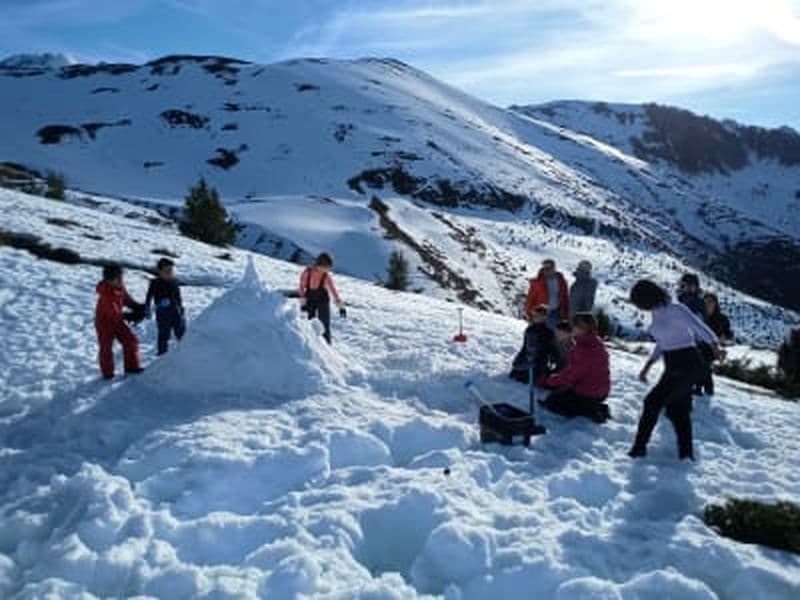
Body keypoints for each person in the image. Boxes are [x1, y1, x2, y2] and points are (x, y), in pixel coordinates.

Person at [628, 280, 724, 461]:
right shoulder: (656, 315)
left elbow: (699, 326)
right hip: (672, 364)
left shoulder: (676, 310)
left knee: (652, 402)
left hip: (688, 361)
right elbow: (662, 344)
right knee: (677, 410)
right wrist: (648, 365)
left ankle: (638, 449)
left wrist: (714, 344)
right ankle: (686, 455)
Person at [540, 313, 611, 423]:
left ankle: (594, 411)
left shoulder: (583, 349)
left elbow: (571, 375)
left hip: (590, 392)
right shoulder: (594, 341)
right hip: (600, 389)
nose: (572, 327)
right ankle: (593, 406)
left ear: (583, 328)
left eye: (574, 325)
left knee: (553, 403)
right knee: (557, 396)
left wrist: (549, 381)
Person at [95, 264, 145, 379]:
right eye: (119, 278)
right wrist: (130, 316)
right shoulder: (105, 294)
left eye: (121, 277)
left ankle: (132, 367)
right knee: (106, 347)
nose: (122, 280)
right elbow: (114, 312)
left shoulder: (119, 288)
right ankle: (108, 373)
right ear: (109, 280)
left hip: (117, 321)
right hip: (104, 324)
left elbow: (126, 300)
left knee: (131, 341)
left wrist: (138, 307)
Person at [299, 253, 346, 344]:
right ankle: (312, 344)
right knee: (310, 322)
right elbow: (301, 287)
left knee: (325, 323)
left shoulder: (326, 276)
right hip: (310, 299)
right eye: (327, 267)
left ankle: (327, 346)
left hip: (323, 300)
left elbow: (333, 291)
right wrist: (303, 303)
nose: (328, 269)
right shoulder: (307, 272)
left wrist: (341, 307)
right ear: (320, 265)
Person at [678, 273, 713, 396]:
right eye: (683, 285)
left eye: (689, 285)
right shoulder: (685, 299)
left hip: (694, 339)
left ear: (695, 287)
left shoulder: (696, 302)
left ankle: (696, 387)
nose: (685, 287)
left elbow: (699, 321)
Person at [510, 304, 561, 384]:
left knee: (534, 377)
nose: (536, 318)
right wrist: (520, 358)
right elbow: (525, 346)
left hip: (540, 360)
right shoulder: (529, 330)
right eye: (535, 315)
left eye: (539, 316)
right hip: (528, 357)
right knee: (515, 374)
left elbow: (552, 348)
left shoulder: (548, 332)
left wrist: (554, 360)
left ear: (545, 317)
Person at [146, 258, 185, 355]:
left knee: (182, 333)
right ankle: (161, 356)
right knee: (164, 335)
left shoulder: (174, 281)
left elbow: (178, 297)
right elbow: (149, 296)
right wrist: (147, 309)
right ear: (159, 271)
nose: (169, 273)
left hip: (175, 311)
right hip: (162, 313)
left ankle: (186, 352)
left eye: (171, 270)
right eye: (166, 271)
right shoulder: (155, 283)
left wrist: (181, 309)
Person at [525, 259, 569, 328]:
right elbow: (530, 299)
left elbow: (565, 298)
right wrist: (529, 314)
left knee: (554, 336)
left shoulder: (561, 281)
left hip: (555, 313)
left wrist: (565, 315)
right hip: (540, 314)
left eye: (548, 268)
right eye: (544, 268)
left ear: (554, 268)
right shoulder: (537, 282)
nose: (546, 271)